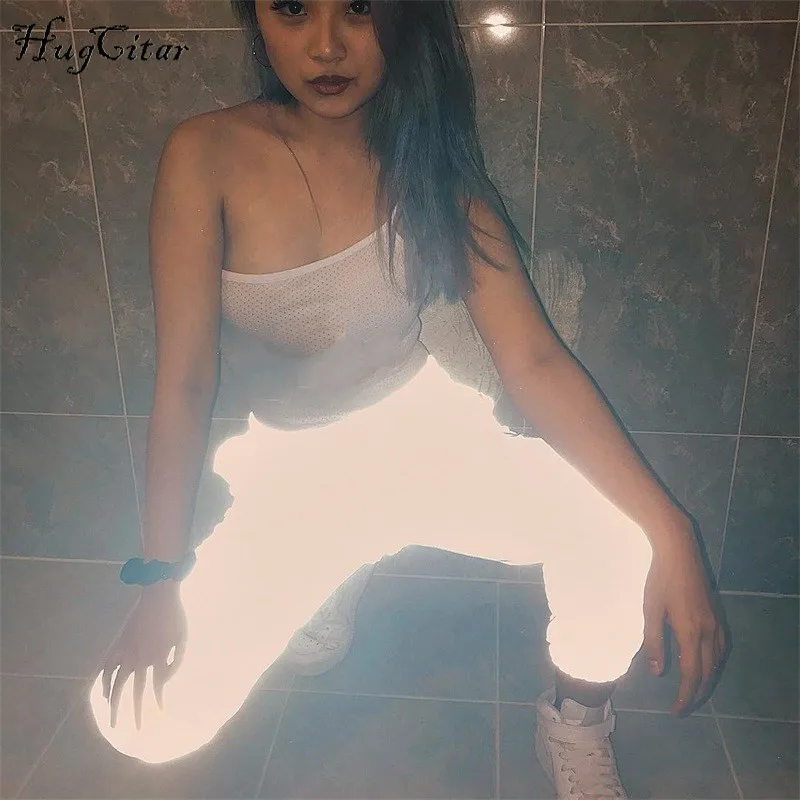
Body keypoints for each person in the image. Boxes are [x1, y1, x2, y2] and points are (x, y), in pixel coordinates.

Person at [90, 1, 729, 796]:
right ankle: (337, 564)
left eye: (360, 8)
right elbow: (184, 383)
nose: (327, 44)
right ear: (257, 16)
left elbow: (534, 360)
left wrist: (673, 529)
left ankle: (575, 717)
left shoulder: (428, 164)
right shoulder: (206, 153)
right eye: (294, 7)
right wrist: (159, 580)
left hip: (424, 433)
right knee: (142, 721)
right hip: (295, 471)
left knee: (623, 536)